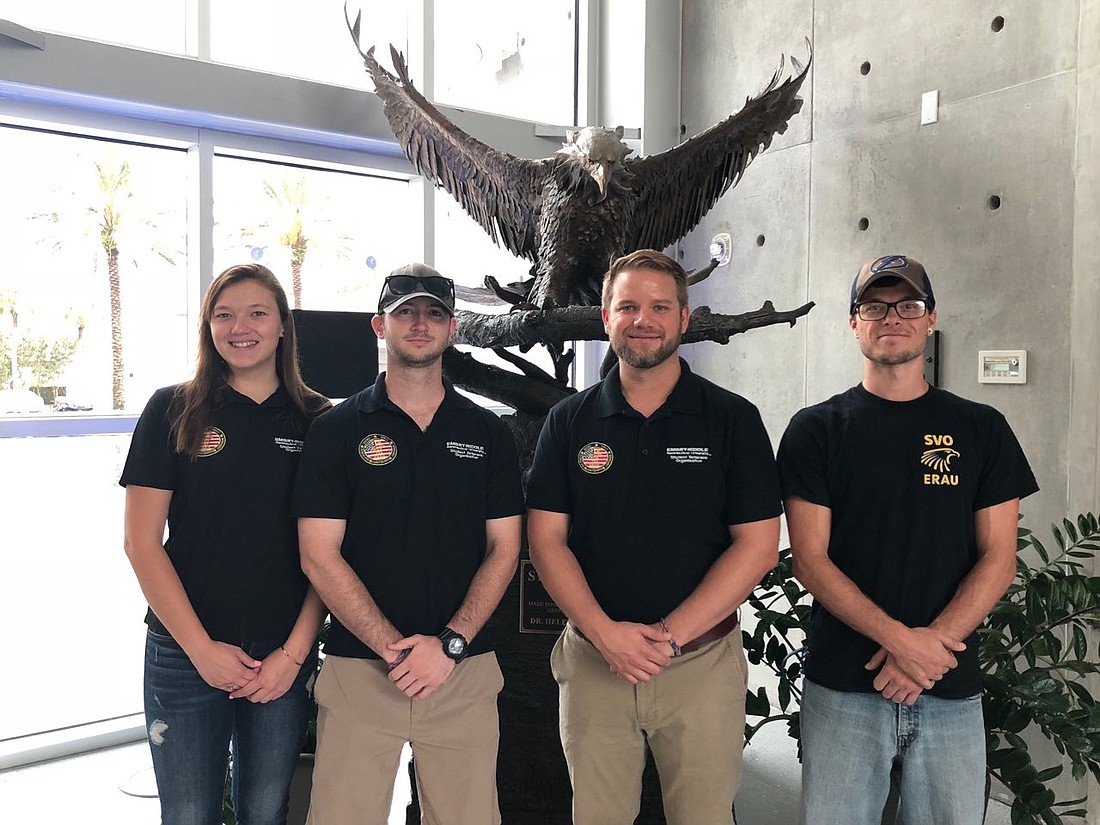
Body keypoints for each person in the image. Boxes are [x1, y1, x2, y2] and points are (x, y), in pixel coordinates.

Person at [777, 254, 1039, 825]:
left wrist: (929, 649)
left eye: (908, 305)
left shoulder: (981, 428)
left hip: (948, 686)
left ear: (931, 319)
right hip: (844, 688)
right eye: (874, 306)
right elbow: (810, 561)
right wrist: (903, 642)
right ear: (854, 322)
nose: (892, 317)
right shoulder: (816, 430)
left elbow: (999, 559)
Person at [526, 249, 782, 825]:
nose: (643, 320)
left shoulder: (733, 420)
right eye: (628, 307)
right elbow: (546, 542)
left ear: (684, 319)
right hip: (594, 662)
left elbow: (757, 547)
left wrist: (668, 638)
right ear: (606, 318)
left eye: (660, 307)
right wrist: (606, 635)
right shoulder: (568, 422)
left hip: (700, 663)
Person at [292, 263, 523, 825]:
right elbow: (318, 553)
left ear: (451, 330)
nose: (420, 324)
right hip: (360, 670)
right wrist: (394, 649)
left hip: (463, 671)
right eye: (405, 313)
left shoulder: (488, 433)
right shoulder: (336, 430)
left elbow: (505, 549)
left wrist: (449, 644)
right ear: (380, 325)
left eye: (434, 314)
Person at [121, 262, 331, 825]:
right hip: (183, 651)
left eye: (257, 313)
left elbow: (328, 556)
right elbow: (141, 543)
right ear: (208, 326)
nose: (241, 327)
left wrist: (294, 655)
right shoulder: (172, 408)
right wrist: (200, 650)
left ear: (283, 325)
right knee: (189, 813)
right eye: (224, 314)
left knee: (265, 810)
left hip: (281, 653)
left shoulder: (319, 421)